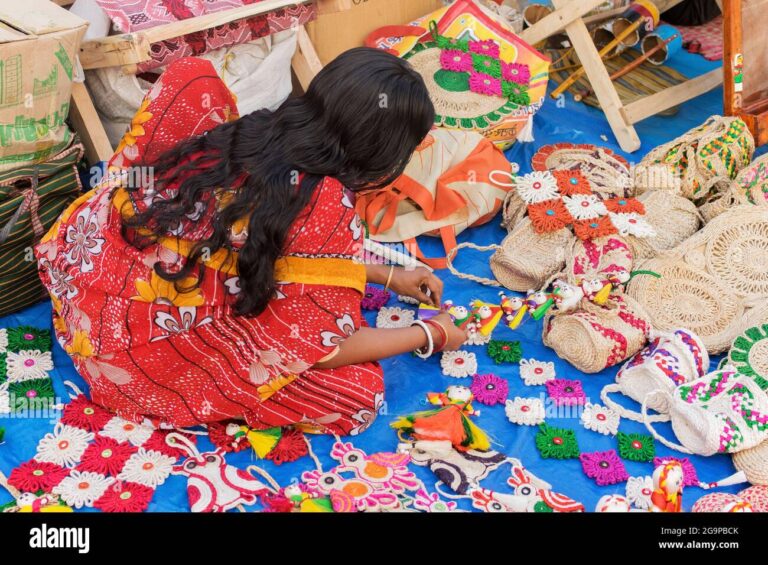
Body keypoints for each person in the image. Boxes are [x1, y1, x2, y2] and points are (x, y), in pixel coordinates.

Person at [36, 49, 467, 435]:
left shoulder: (254, 131)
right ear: (381, 150)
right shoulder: (326, 203)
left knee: (195, 78)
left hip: (85, 277)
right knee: (355, 395)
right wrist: (428, 333)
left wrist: (387, 274)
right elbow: (323, 347)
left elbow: (254, 249)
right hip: (133, 361)